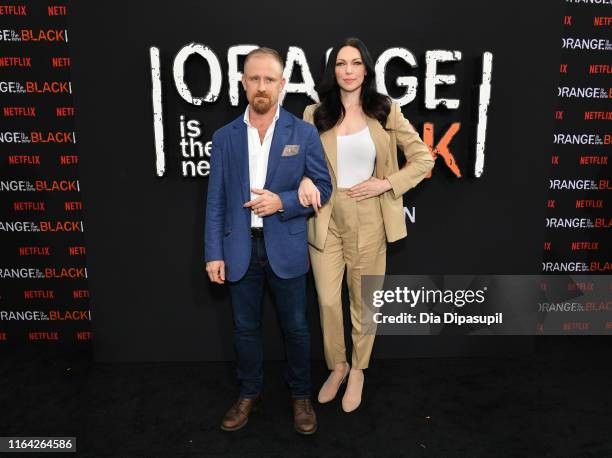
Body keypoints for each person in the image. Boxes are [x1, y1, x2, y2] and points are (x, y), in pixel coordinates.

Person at [299, 37, 435, 413]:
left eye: (355, 63)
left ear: (366, 69)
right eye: (341, 64)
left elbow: (424, 159)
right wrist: (304, 181)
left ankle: (358, 369)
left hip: (370, 215)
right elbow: (294, 164)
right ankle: (338, 366)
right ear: (333, 71)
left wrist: (387, 183)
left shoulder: (385, 110)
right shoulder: (314, 114)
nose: (348, 70)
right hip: (326, 216)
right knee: (328, 301)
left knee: (363, 302)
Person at [204, 47, 332, 434]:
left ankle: (300, 397)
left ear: (282, 84)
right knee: (244, 329)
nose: (261, 86)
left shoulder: (303, 132)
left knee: (296, 328)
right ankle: (249, 393)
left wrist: (284, 202)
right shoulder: (225, 137)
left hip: (287, 248)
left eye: (269, 79)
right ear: (243, 83)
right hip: (239, 250)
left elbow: (323, 186)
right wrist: (213, 253)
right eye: (254, 78)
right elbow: (216, 201)